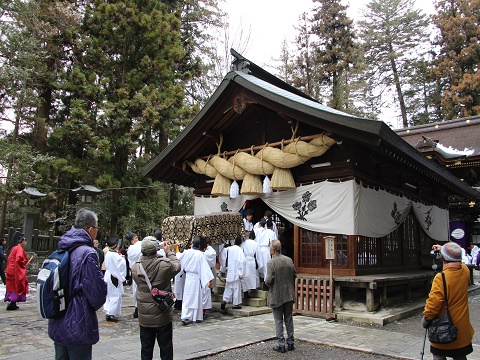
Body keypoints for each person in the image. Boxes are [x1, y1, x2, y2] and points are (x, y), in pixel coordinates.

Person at [48, 208, 107, 359]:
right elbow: (96, 292)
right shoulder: (87, 253)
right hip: (78, 321)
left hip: (58, 314)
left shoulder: (63, 246)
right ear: (90, 229)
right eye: (97, 228)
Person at [422, 242, 474, 360]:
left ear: (443, 258)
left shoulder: (441, 277)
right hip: (461, 328)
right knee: (460, 356)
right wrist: (444, 249)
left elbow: (434, 303)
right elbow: (458, 259)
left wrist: (426, 318)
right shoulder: (465, 271)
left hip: (444, 328)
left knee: (439, 356)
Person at [131, 237, 181, 360]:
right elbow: (177, 266)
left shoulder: (135, 268)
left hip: (145, 316)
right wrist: (169, 252)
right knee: (166, 348)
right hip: (162, 312)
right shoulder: (164, 264)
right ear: (156, 250)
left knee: (146, 350)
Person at [265, 239, 297, 353]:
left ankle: (280, 343)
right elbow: (294, 274)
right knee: (288, 318)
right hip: (288, 292)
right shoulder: (289, 260)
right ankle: (291, 342)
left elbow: (268, 280)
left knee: (278, 320)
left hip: (277, 293)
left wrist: (268, 284)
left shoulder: (271, 263)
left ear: (273, 251)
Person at [180, 236, 213, 325]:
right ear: (199, 246)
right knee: (195, 297)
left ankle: (189, 316)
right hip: (196, 278)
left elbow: (178, 258)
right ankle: (191, 316)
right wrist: (209, 279)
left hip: (189, 278)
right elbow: (204, 268)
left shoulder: (186, 252)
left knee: (188, 297)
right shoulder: (200, 255)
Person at [104, 236, 127, 322]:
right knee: (115, 295)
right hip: (114, 275)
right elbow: (120, 266)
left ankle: (109, 312)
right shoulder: (114, 255)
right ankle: (111, 313)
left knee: (110, 295)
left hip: (109, 275)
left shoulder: (109, 254)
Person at [221, 235, 246, 311]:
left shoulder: (228, 249)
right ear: (240, 243)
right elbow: (242, 261)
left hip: (230, 271)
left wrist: (223, 269)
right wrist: (241, 273)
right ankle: (235, 303)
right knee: (236, 288)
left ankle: (225, 300)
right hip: (236, 271)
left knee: (228, 287)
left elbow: (223, 258)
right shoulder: (239, 250)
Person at [4, 236, 28, 310]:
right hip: (15, 270)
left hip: (10, 269)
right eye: (25, 242)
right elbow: (18, 259)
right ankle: (12, 302)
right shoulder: (19, 249)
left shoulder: (14, 248)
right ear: (23, 242)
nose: (25, 244)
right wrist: (23, 264)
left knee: (11, 286)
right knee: (16, 286)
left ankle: (12, 302)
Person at [241, 230, 263, 298]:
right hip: (252, 260)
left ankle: (246, 291)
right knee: (252, 275)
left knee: (245, 276)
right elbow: (258, 254)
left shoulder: (244, 243)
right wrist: (259, 264)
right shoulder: (255, 243)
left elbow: (241, 251)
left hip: (245, 260)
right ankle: (253, 288)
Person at [127, 231, 142, 318]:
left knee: (137, 289)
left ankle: (137, 308)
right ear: (132, 241)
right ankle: (138, 308)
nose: (137, 239)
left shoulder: (131, 249)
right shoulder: (136, 247)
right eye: (135, 238)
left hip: (135, 270)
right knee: (137, 290)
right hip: (138, 269)